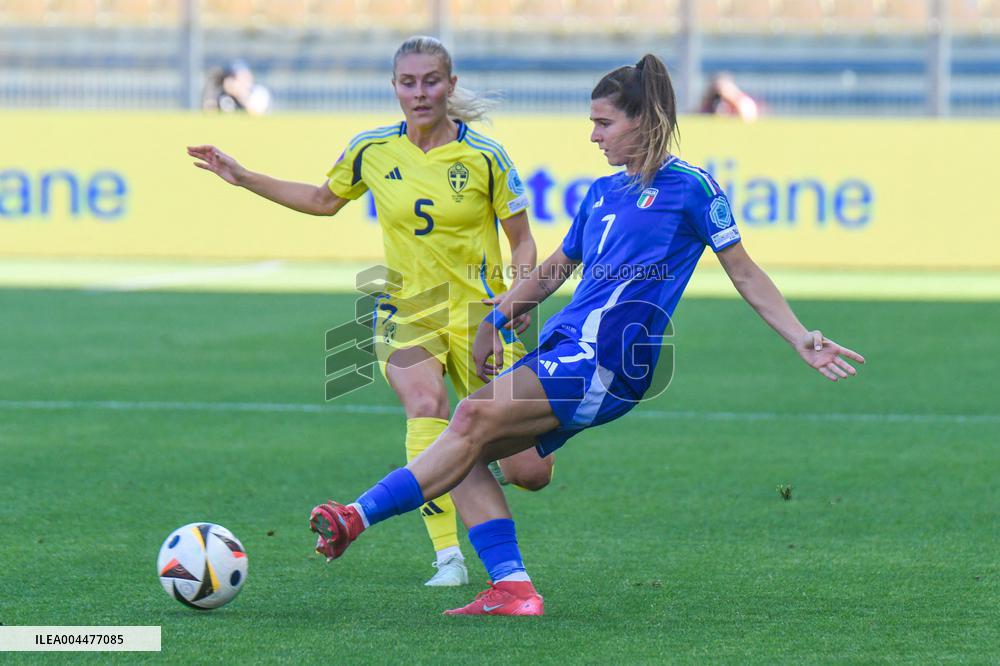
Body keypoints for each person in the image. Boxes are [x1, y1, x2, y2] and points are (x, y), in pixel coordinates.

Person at [308, 53, 866, 616]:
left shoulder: (691, 188)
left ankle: (355, 516)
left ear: (644, 121)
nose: (593, 135)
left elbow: (743, 269)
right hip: (568, 348)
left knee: (468, 421)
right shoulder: (601, 194)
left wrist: (799, 335)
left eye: (604, 123)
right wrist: (499, 318)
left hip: (609, 357)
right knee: (463, 454)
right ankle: (513, 589)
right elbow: (554, 268)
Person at [188, 36, 554, 588]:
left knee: (530, 472)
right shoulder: (372, 149)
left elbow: (523, 241)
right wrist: (242, 176)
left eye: (431, 81)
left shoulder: (484, 157)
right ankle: (448, 556)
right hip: (406, 308)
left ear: (450, 86)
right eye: (408, 82)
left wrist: (514, 298)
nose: (420, 92)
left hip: (481, 320)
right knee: (426, 403)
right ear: (394, 88)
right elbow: (321, 200)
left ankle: (465, 460)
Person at [201, 59, 272, 115]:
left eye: (244, 76)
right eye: (235, 77)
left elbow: (256, 114)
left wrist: (240, 95)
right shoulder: (223, 95)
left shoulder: (259, 92)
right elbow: (209, 112)